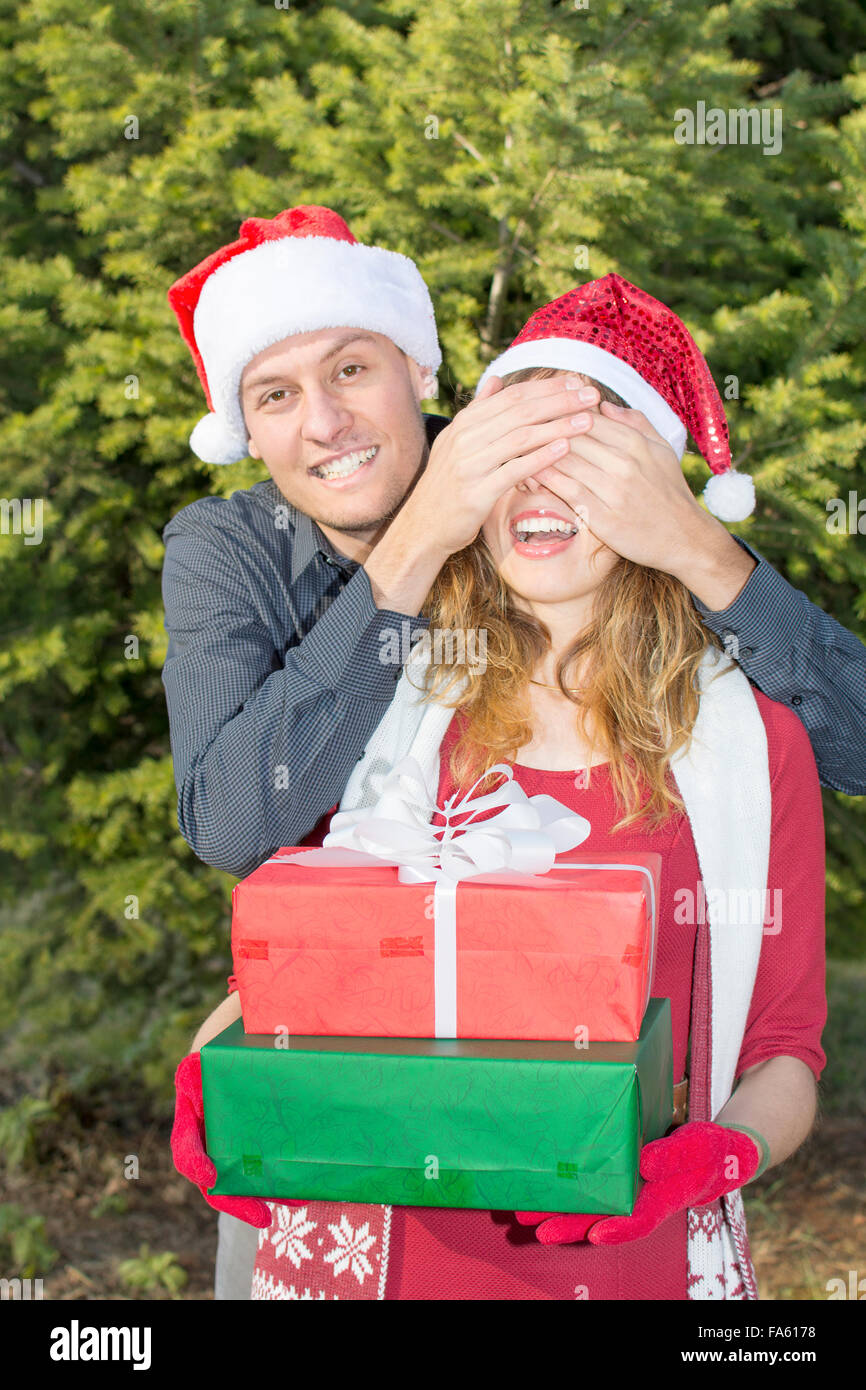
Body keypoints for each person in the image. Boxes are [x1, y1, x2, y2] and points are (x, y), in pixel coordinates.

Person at [173, 276, 826, 1300]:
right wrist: (211, 1074)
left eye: (586, 460)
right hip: (375, 1251)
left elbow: (783, 1047)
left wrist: (717, 1157)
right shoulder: (389, 705)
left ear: (651, 492)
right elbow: (300, 960)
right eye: (513, 456)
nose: (541, 489)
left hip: (623, 1258)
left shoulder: (750, 741)